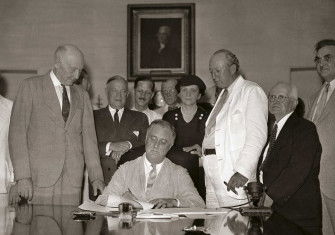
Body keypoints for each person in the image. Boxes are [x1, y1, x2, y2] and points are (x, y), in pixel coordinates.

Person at [9, 44, 105, 205]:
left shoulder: (82, 95)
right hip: (38, 179)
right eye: (73, 69)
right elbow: (16, 136)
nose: (77, 76)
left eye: (80, 70)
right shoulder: (30, 87)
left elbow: (90, 141)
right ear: (57, 63)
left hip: (72, 180)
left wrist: (97, 177)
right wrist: (23, 176)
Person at [202, 49, 268, 207]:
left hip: (233, 174)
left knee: (234, 225)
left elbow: (257, 136)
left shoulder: (251, 91)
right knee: (214, 225)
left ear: (232, 69)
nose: (213, 76)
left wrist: (242, 171)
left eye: (218, 70)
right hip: (212, 173)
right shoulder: (223, 94)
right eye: (211, 71)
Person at [96, 120, 205, 208]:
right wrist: (127, 202)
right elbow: (102, 199)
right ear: (146, 139)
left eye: (163, 142)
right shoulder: (126, 169)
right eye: (153, 138)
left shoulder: (179, 173)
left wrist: (174, 202)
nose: (156, 145)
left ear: (170, 146)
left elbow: (199, 204)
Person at [260, 82, 322, 234]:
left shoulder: (304, 128)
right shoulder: (272, 130)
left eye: (281, 97)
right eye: (272, 97)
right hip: (275, 214)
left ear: (293, 104)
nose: (274, 101)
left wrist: (269, 198)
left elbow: (297, 169)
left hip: (297, 217)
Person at [93, 76, 149, 189]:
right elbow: (87, 147)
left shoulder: (140, 117)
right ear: (106, 92)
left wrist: (128, 146)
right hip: (102, 181)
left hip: (132, 182)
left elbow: (146, 144)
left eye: (123, 91)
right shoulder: (93, 117)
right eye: (114, 91)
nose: (119, 95)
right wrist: (111, 146)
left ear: (127, 94)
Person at [163, 75, 209, 199]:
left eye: (193, 90)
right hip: (174, 175)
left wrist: (203, 149)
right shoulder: (169, 117)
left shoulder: (207, 117)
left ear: (199, 95)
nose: (188, 94)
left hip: (201, 175)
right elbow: (164, 146)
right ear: (179, 94)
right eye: (184, 90)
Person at [306, 39, 335, 235]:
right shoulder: (315, 96)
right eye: (318, 60)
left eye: (328, 58)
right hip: (317, 184)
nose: (321, 63)